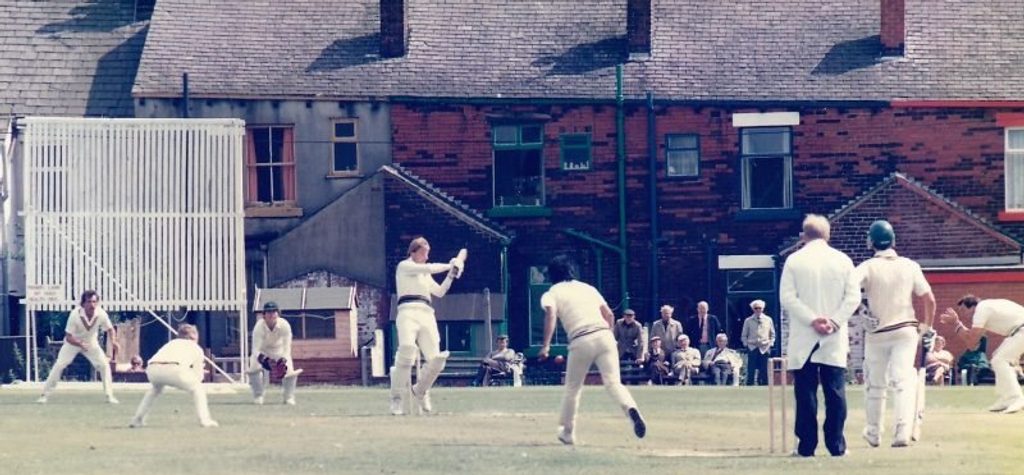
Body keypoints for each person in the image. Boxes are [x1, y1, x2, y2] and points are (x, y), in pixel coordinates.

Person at [539, 254, 646, 445]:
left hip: (581, 339)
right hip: (605, 335)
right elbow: (609, 315)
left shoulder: (551, 293)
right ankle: (631, 408)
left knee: (573, 388)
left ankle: (567, 432)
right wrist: (608, 339)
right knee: (614, 383)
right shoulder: (588, 288)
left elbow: (551, 314)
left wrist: (546, 345)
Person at [780, 214, 860, 457]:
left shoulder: (794, 260)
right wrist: (834, 321)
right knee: (835, 392)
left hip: (805, 334)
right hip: (833, 336)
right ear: (827, 234)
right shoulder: (843, 260)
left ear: (803, 235)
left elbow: (788, 298)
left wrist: (812, 319)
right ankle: (836, 445)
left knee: (805, 393)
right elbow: (853, 297)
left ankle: (806, 447)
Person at [854, 219, 936, 448]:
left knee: (875, 384)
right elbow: (929, 299)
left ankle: (873, 432)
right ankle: (902, 431)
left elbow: (849, 291)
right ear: (893, 240)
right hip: (905, 330)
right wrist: (927, 326)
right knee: (903, 381)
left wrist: (860, 309)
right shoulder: (910, 265)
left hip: (877, 332)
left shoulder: (866, 267)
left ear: (871, 242)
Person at [389, 237, 465, 415]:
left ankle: (421, 391)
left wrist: (451, 275)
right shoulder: (404, 266)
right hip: (407, 312)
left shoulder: (425, 274)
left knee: (436, 360)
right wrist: (450, 264)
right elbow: (428, 267)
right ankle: (397, 399)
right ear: (413, 251)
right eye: (423, 253)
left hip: (426, 314)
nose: (426, 256)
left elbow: (439, 291)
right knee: (407, 350)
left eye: (427, 253)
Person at [940, 295, 1024, 413]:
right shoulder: (987, 308)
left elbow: (972, 342)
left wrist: (956, 323)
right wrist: (957, 325)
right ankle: (1006, 399)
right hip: (1018, 331)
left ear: (972, 306)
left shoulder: (981, 309)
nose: (964, 315)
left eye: (963, 310)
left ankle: (1016, 398)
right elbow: (973, 343)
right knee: (997, 359)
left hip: (1021, 330)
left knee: (1000, 360)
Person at [37, 290, 120, 404]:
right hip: (72, 342)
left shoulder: (101, 314)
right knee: (60, 364)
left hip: (91, 342)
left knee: (104, 365)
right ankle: (44, 395)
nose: (92, 305)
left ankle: (109, 396)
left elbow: (110, 329)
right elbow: (68, 336)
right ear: (83, 303)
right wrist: (79, 344)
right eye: (89, 302)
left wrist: (114, 341)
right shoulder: (75, 314)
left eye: (94, 302)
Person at [129, 324, 218, 428]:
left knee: (155, 390)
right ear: (193, 336)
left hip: (152, 369)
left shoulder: (171, 343)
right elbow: (199, 377)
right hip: (174, 369)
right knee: (198, 388)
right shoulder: (196, 348)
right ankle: (204, 420)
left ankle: (137, 419)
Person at [247, 301, 302, 405]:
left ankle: (289, 397)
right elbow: (255, 349)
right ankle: (258, 396)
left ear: (278, 314)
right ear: (264, 315)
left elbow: (287, 348)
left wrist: (283, 360)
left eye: (274, 312)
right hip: (262, 350)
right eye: (268, 312)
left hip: (278, 349)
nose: (271, 315)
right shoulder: (259, 327)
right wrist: (263, 359)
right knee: (253, 365)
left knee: (289, 368)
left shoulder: (285, 325)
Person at [741, 299, 776, 386]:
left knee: (764, 369)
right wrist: (746, 344)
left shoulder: (768, 320)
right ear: (753, 309)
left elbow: (772, 334)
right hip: (752, 347)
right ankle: (750, 385)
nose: (758, 310)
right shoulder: (748, 320)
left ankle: (764, 385)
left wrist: (770, 344)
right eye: (756, 308)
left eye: (760, 308)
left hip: (765, 347)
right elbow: (744, 335)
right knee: (751, 368)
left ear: (763, 309)